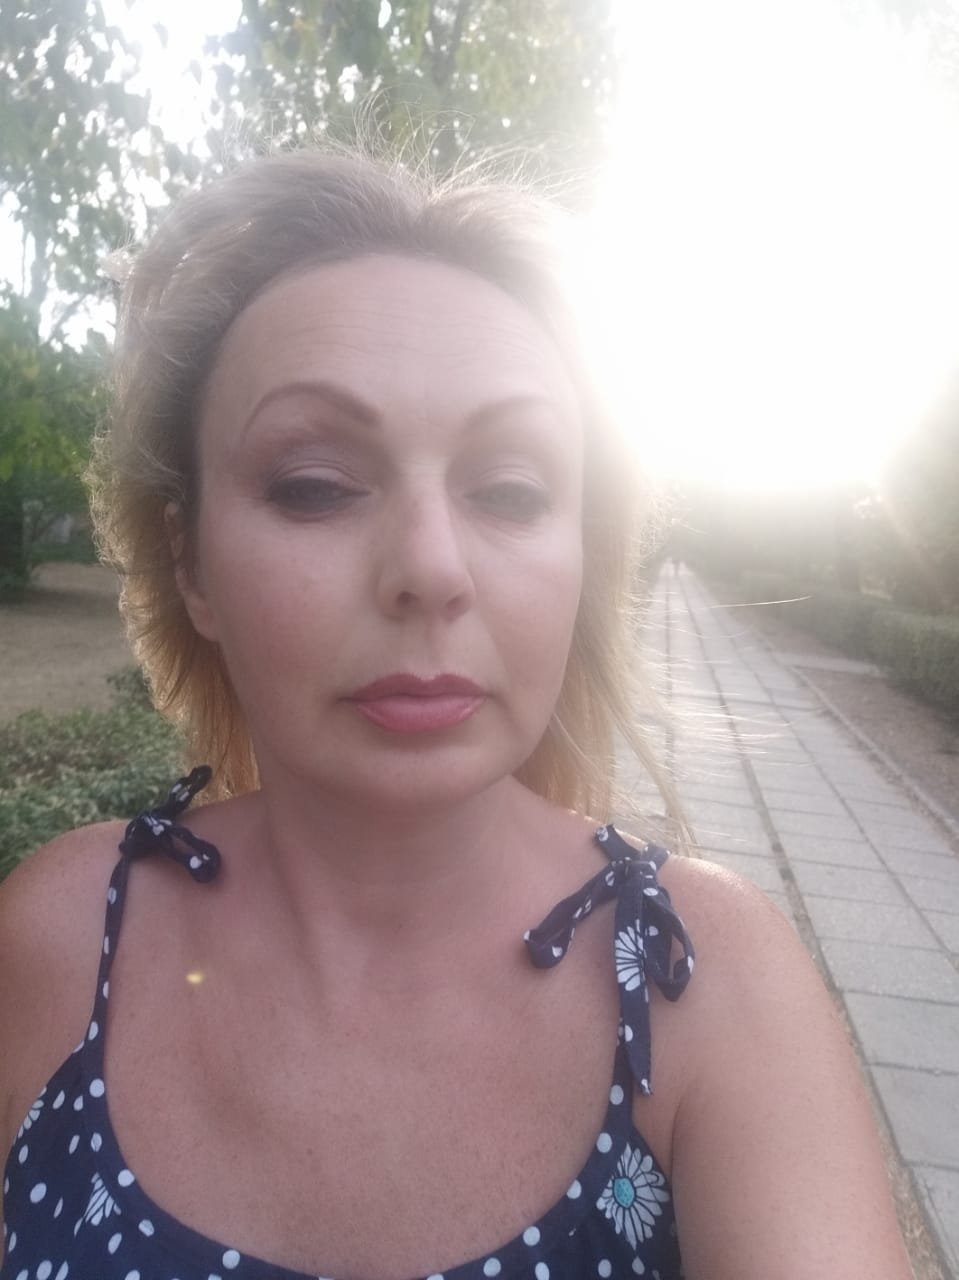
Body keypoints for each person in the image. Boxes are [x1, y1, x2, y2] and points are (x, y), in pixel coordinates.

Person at [0, 149, 913, 1280]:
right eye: (316, 484)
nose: (430, 567)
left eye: (512, 489)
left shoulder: (706, 988)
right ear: (189, 563)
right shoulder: (58, 937)